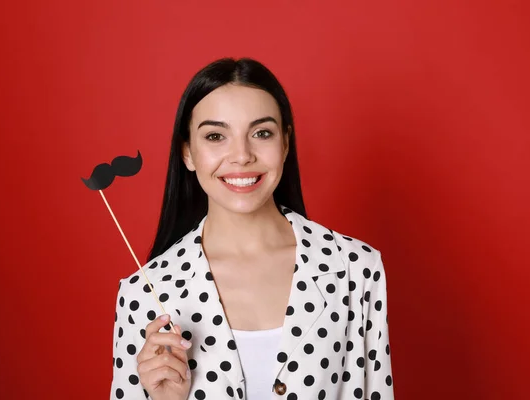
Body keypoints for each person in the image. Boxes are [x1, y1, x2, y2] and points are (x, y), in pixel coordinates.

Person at [110, 57, 394, 400]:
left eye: (261, 133)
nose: (242, 155)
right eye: (216, 136)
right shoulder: (144, 293)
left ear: (285, 143)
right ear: (187, 152)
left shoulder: (354, 268)